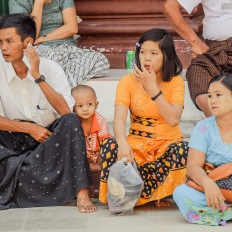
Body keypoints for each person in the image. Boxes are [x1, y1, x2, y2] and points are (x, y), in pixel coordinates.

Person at [0, 13, 97, 213]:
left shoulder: (51, 69)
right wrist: (27, 128)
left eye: (9, 41)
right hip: (14, 137)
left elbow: (65, 112)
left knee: (71, 122)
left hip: (47, 141)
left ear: (28, 43)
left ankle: (82, 192)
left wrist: (37, 76)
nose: (3, 48)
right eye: (0, 42)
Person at [99, 28, 189, 207]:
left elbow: (173, 119)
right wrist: (123, 143)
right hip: (137, 143)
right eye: (143, 52)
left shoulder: (175, 82)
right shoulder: (127, 82)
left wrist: (153, 89)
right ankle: (133, 197)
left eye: (154, 53)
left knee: (183, 149)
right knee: (110, 145)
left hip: (166, 144)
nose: (146, 58)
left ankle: (151, 195)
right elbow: (118, 119)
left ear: (166, 55)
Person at [173, 73, 232, 226]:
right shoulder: (204, 127)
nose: (212, 101)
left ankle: (223, 211)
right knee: (181, 193)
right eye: (210, 96)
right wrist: (208, 184)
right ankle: (224, 208)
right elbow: (193, 167)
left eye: (219, 95)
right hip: (216, 186)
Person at [8, 0, 110, 88]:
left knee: (101, 62)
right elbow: (30, 35)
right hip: (39, 50)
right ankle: (66, 97)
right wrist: (39, 3)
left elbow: (72, 28)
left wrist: (43, 38)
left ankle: (64, 91)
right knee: (54, 62)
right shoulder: (18, 1)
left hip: (65, 47)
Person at [163, 0, 232, 117]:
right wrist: (195, 42)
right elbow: (170, 7)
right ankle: (219, 125)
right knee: (197, 72)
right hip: (215, 49)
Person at [71, 85, 117, 173]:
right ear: (73, 108)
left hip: (99, 155)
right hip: (81, 158)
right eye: (80, 106)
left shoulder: (100, 120)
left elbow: (105, 144)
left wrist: (98, 164)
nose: (85, 109)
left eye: (90, 104)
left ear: (96, 105)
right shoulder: (73, 122)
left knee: (111, 143)